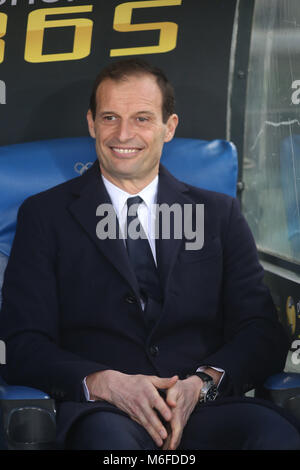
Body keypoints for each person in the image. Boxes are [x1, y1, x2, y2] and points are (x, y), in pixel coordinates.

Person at [0, 58, 299, 450]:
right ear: (92, 123)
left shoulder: (218, 214)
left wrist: (202, 384)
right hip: (103, 414)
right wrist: (104, 383)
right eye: (110, 117)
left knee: (275, 437)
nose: (123, 133)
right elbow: (24, 342)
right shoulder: (44, 216)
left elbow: (260, 330)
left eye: (142, 118)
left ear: (168, 126)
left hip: (203, 406)